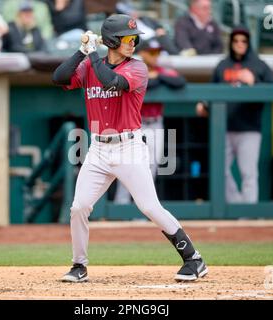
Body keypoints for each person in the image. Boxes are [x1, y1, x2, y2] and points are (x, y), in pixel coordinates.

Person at [52, 14, 208, 282]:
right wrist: (82, 51)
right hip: (98, 149)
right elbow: (59, 77)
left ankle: (194, 259)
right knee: (79, 207)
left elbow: (111, 81)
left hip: (129, 147)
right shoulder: (91, 65)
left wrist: (91, 56)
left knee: (149, 206)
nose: (133, 42)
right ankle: (79, 265)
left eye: (134, 37)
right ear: (112, 40)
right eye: (126, 37)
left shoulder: (137, 68)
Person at [198, 26, 273, 203]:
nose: (240, 44)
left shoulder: (259, 65)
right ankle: (237, 206)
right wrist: (204, 105)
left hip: (249, 128)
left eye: (243, 41)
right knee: (221, 171)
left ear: (249, 43)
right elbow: (212, 91)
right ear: (231, 43)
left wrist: (254, 82)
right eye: (236, 41)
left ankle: (248, 212)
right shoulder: (223, 65)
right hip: (224, 128)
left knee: (248, 173)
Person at [114, 37, 186, 204]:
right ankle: (121, 206)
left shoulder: (161, 70)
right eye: (152, 52)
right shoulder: (134, 68)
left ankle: (144, 207)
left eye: (158, 52)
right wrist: (152, 78)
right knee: (128, 167)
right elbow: (136, 83)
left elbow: (179, 81)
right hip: (133, 125)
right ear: (143, 53)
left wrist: (158, 77)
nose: (156, 56)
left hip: (155, 124)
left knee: (151, 167)